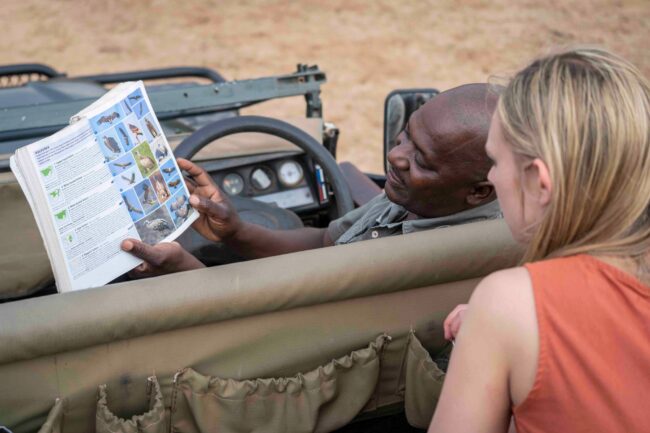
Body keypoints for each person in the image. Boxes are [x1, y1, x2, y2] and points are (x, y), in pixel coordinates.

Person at [429, 48, 650, 433]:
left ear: (538, 182)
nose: (494, 179)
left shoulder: (509, 302)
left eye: (495, 162)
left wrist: (500, 325)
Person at [121, 83, 501, 276]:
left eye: (422, 159)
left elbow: (268, 330)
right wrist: (235, 230)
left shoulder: (418, 264)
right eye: (404, 135)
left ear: (478, 192)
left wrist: (181, 271)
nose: (395, 155)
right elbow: (324, 241)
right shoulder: (421, 199)